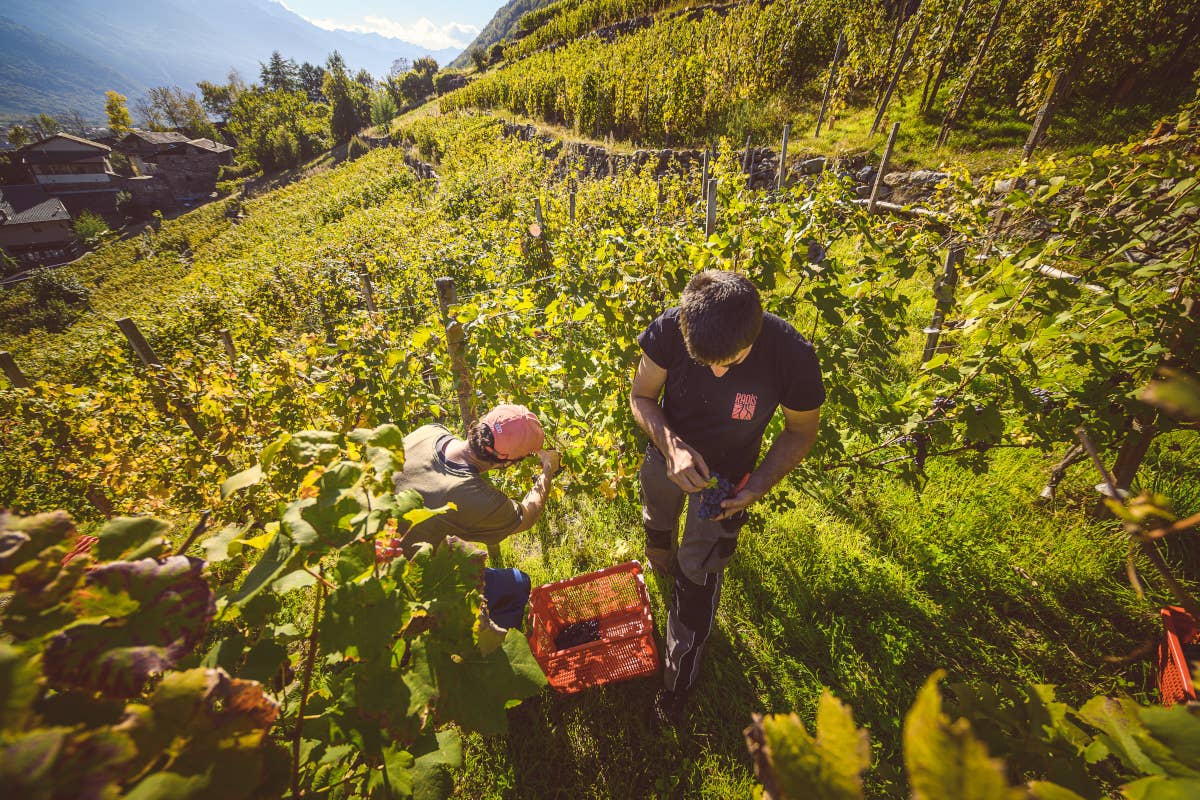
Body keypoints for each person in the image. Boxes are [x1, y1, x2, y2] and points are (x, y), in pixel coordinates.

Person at [629, 269, 824, 723]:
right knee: (657, 514)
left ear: (754, 335)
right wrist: (672, 447)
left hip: (728, 481)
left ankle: (678, 680)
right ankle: (659, 553)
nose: (718, 371)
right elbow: (641, 396)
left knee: (698, 572)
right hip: (665, 454)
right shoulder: (671, 327)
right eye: (706, 362)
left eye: (730, 363)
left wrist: (755, 486)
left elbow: (800, 432)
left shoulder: (792, 356)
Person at [377, 404, 561, 628]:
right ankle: (479, 648)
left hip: (370, 566)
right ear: (508, 462)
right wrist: (547, 472)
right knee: (515, 585)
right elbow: (527, 516)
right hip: (407, 594)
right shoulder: (471, 496)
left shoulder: (430, 432)